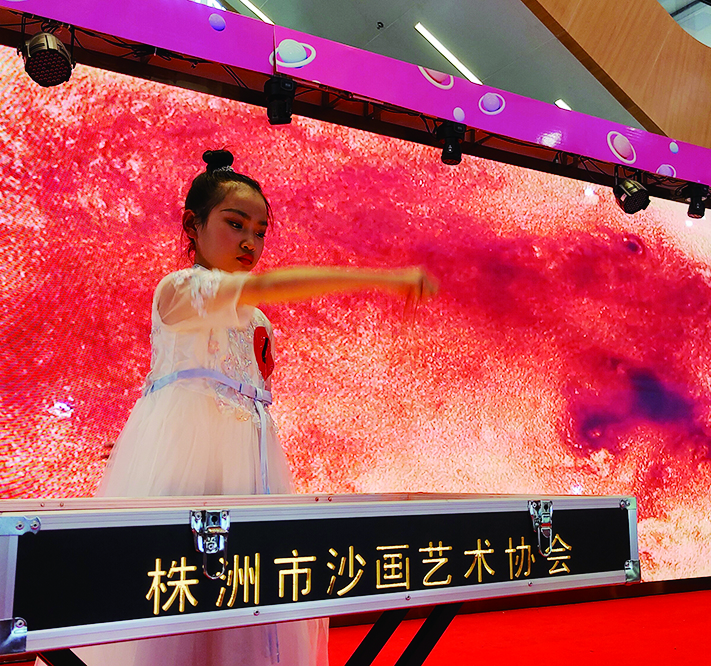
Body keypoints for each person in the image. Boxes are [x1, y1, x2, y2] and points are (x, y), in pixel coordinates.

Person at [74, 149, 439, 666]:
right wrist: (385, 278)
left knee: (244, 591)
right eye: (235, 223)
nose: (250, 241)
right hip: (190, 467)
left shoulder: (256, 316)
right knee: (180, 591)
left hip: (249, 465)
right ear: (192, 225)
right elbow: (258, 291)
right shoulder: (178, 289)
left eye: (260, 231)